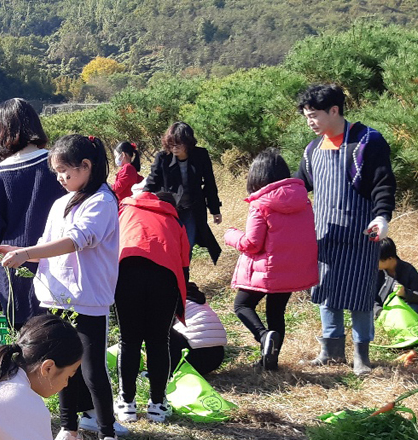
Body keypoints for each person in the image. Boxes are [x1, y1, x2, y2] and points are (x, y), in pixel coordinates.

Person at [0, 135, 128, 440]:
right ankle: (69, 429)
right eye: (56, 173)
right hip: (54, 296)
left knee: (92, 368)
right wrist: (16, 251)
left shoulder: (101, 202)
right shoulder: (61, 203)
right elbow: (45, 243)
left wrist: (25, 253)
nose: (60, 179)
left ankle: (107, 434)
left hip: (87, 298)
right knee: (61, 367)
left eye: (64, 172)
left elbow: (77, 241)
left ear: (87, 167)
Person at [295, 83, 396, 376]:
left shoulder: (367, 142)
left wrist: (382, 216)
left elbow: (383, 183)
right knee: (326, 291)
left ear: (334, 110)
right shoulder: (313, 149)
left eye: (314, 115)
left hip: (361, 234)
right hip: (324, 234)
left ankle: (361, 356)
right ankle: (330, 351)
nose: (310, 122)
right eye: (307, 116)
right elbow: (299, 187)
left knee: (361, 294)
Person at [225, 149, 318, 371]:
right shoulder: (303, 200)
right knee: (276, 312)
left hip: (266, 270)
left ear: (257, 176)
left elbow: (252, 243)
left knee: (242, 305)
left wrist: (231, 236)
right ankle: (270, 363)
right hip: (292, 269)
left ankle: (263, 336)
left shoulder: (260, 204)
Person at [0, 98, 66, 329]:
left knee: (25, 343)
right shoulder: (58, 167)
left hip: (13, 269)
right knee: (57, 339)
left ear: (1, 131)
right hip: (58, 265)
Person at [113, 191, 189, 424]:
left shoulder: (124, 212)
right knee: (158, 340)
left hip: (126, 273)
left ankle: (127, 403)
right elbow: (184, 264)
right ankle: (157, 404)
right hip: (165, 279)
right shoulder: (174, 221)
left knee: (129, 341)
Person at [143, 122, 222, 263]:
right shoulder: (162, 158)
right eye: (171, 143)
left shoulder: (201, 155)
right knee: (170, 246)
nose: (175, 147)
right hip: (169, 210)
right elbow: (151, 183)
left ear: (188, 142)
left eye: (179, 143)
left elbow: (210, 183)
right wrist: (140, 203)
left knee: (187, 245)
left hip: (192, 209)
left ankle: (184, 280)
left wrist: (215, 210)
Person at [170, 283, 227, 376]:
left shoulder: (172, 299)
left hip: (192, 361)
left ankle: (162, 371)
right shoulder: (196, 299)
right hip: (216, 358)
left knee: (158, 328)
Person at [376, 238, 418, 312]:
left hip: (405, 310)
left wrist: (405, 293)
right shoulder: (377, 272)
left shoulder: (409, 271)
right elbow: (370, 298)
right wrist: (379, 311)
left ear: (390, 258)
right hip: (384, 312)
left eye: (377, 261)